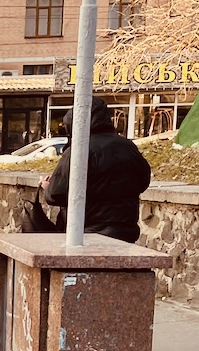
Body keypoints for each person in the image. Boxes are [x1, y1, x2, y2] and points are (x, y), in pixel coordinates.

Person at [42, 97, 153, 242]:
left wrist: (47, 187)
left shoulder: (79, 149)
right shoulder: (128, 147)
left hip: (87, 233)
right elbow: (143, 181)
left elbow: (57, 193)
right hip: (124, 231)